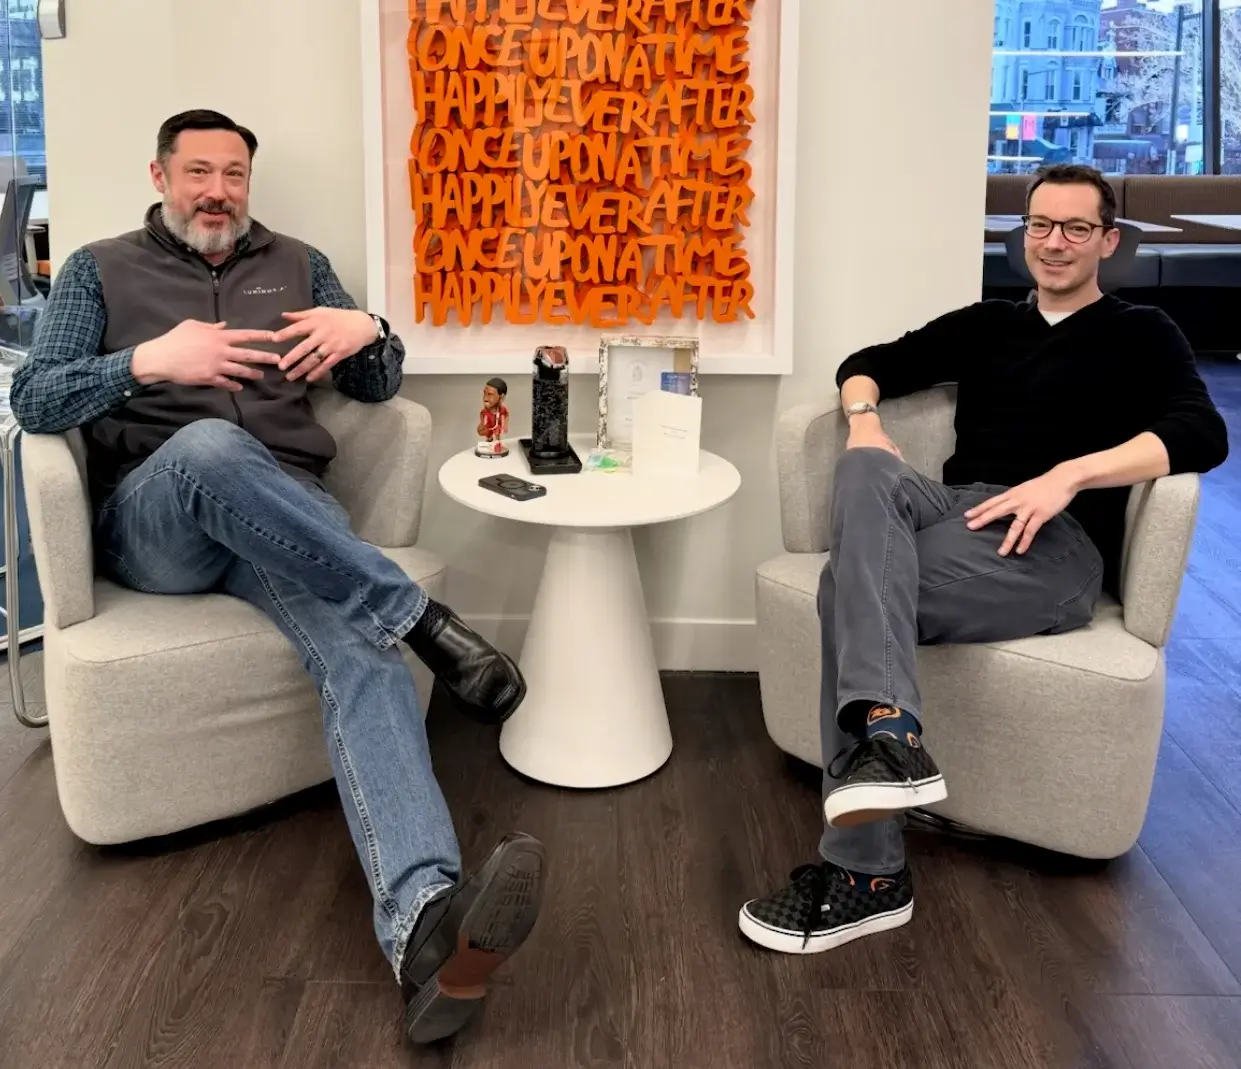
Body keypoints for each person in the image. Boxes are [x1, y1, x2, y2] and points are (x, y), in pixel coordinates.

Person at [9, 109, 545, 1045]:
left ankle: (425, 929)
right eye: (198, 172)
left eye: (234, 174)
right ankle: (421, 616)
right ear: (161, 176)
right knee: (208, 445)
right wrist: (145, 361)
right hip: (158, 519)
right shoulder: (99, 267)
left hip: (285, 520)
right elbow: (33, 396)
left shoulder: (299, 263)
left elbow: (377, 385)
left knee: (361, 649)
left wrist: (369, 328)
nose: (217, 191)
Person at [738, 163, 1229, 955]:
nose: (1054, 242)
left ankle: (867, 873)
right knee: (862, 470)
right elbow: (869, 361)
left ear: (1107, 241)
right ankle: (891, 739)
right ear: (1020, 234)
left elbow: (1202, 432)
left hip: (1052, 542)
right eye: (1039, 225)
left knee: (844, 589)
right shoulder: (987, 323)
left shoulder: (1142, 331)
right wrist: (863, 421)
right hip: (955, 509)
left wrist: (1069, 476)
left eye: (1075, 228)